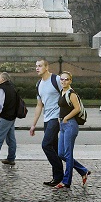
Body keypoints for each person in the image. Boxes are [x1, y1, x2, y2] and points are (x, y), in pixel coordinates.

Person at [28, 59, 64, 187]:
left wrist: (65, 116)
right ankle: (57, 178)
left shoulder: (56, 79)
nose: (37, 68)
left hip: (56, 118)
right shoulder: (39, 84)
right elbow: (39, 105)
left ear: (47, 67)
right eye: (36, 66)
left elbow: (67, 93)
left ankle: (60, 173)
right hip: (47, 119)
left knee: (46, 145)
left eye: (40, 66)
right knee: (54, 148)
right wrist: (33, 124)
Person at [55, 72, 91, 189]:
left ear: (70, 81)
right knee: (61, 153)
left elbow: (77, 108)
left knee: (68, 154)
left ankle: (66, 182)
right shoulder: (62, 92)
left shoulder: (71, 93)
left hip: (70, 125)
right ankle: (83, 171)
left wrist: (66, 118)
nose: (64, 81)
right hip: (63, 125)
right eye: (62, 79)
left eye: (66, 79)